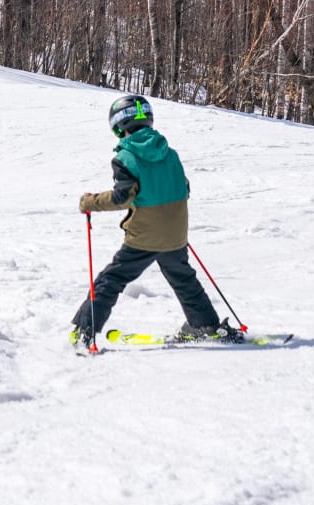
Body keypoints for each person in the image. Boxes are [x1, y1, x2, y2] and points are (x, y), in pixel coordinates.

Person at [69, 94, 233, 349]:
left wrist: (89, 202)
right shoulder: (170, 154)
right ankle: (205, 324)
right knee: (184, 279)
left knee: (110, 280)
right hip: (176, 234)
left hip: (144, 237)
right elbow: (184, 187)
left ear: (118, 125)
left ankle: (84, 331)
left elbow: (123, 197)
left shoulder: (125, 158)